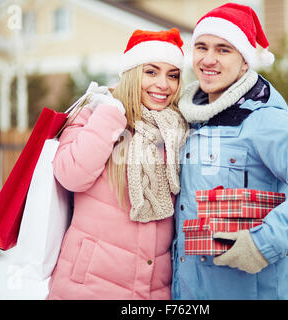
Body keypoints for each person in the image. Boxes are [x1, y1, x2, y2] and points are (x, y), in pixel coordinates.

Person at [172, 3, 288, 299]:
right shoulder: (185, 119)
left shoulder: (263, 119)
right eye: (201, 47)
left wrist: (264, 242)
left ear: (244, 62)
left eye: (224, 49)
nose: (208, 59)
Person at [46, 28, 188, 300]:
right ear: (132, 73)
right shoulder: (93, 115)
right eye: (151, 71)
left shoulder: (176, 131)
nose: (163, 84)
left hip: (154, 289)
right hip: (87, 285)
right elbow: (72, 174)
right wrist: (111, 114)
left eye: (173, 75)